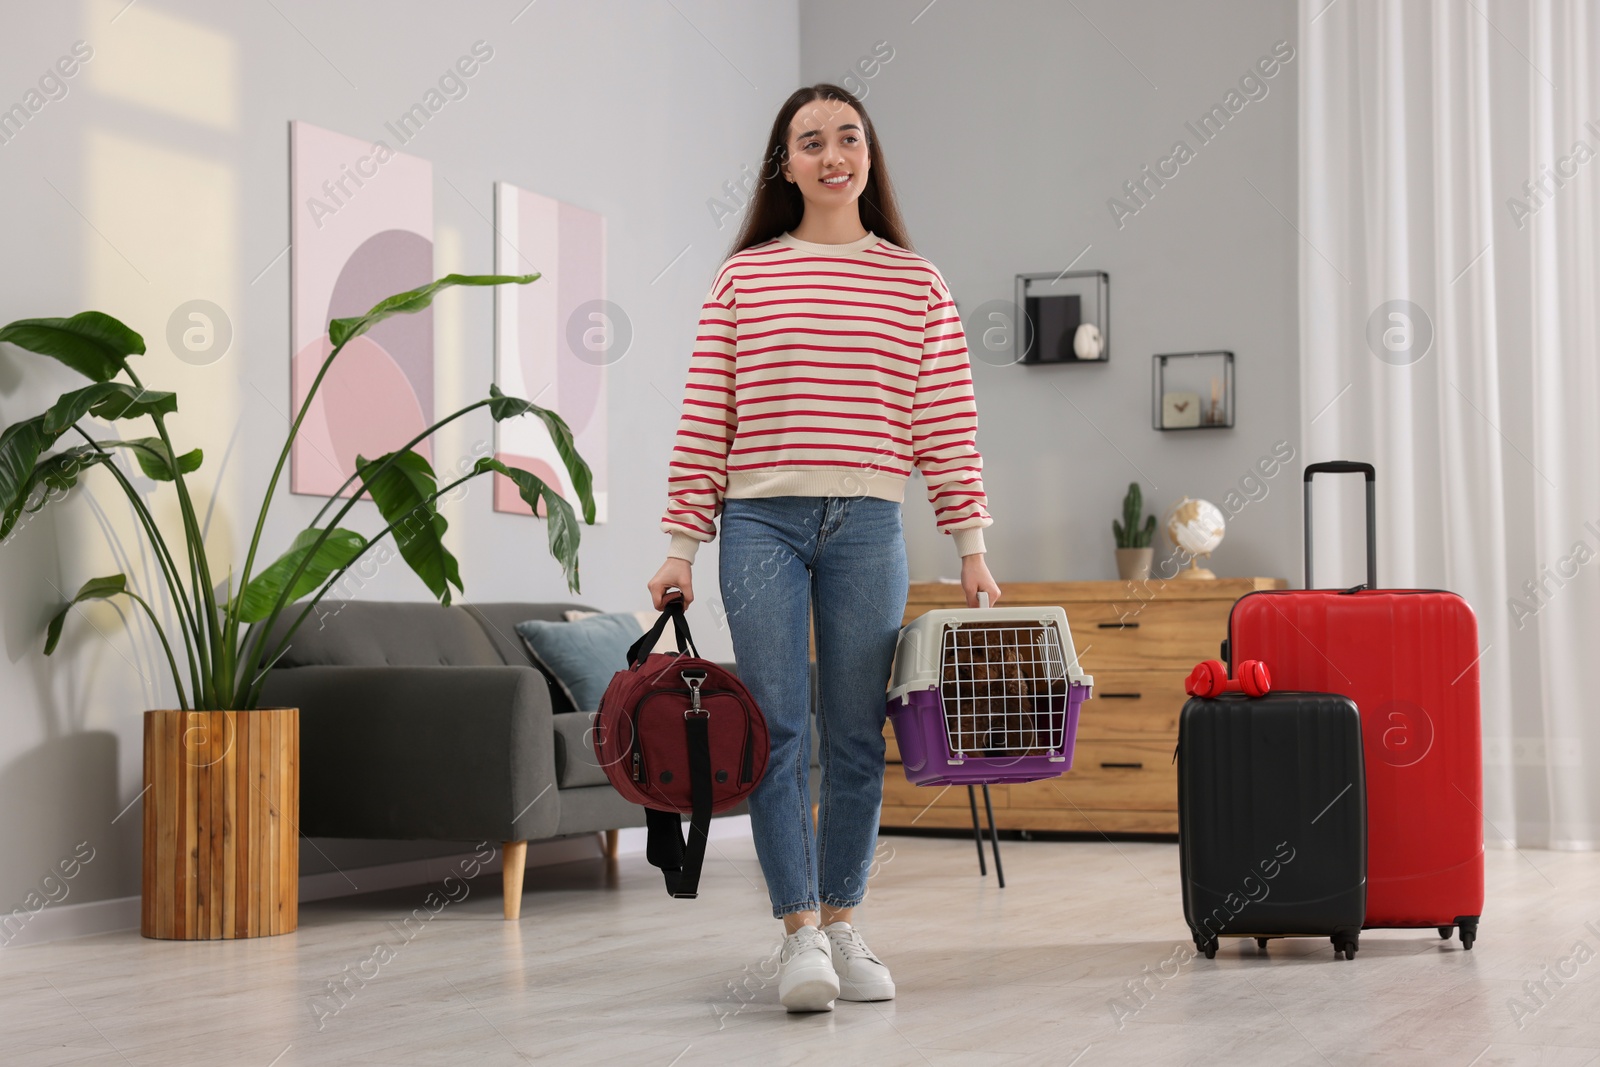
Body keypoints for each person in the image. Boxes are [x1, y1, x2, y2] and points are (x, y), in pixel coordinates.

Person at [646, 83, 1001, 1013]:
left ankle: (844, 923)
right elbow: (703, 420)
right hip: (759, 522)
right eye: (811, 141)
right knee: (777, 730)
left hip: (871, 526)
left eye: (849, 137)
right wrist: (682, 543)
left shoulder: (917, 283)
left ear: (870, 156)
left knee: (855, 731)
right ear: (787, 164)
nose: (833, 154)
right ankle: (797, 932)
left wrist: (970, 540)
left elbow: (948, 425)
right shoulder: (745, 278)